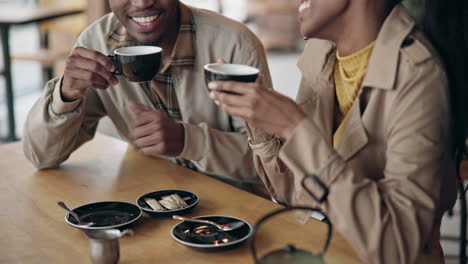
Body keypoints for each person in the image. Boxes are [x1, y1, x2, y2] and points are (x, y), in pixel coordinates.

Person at [209, 0, 467, 263]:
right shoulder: (322, 51)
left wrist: (294, 128)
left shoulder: (419, 76)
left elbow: (397, 246)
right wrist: (260, 122)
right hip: (323, 246)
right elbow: (298, 197)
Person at [22, 0, 272, 191]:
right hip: (151, 198)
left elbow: (273, 167)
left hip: (235, 210)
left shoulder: (235, 44)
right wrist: (66, 93)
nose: (142, 3)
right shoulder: (96, 43)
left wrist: (187, 141)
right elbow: (40, 156)